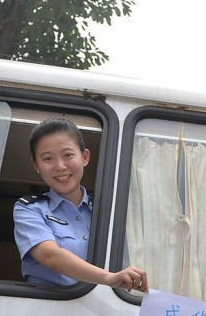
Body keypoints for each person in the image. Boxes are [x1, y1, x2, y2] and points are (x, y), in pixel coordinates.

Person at [13, 118, 149, 292]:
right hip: (47, 305)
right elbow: (50, 256)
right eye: (48, 158)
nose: (60, 166)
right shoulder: (29, 209)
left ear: (85, 157)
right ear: (36, 165)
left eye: (68, 155)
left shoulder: (109, 209)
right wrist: (109, 278)